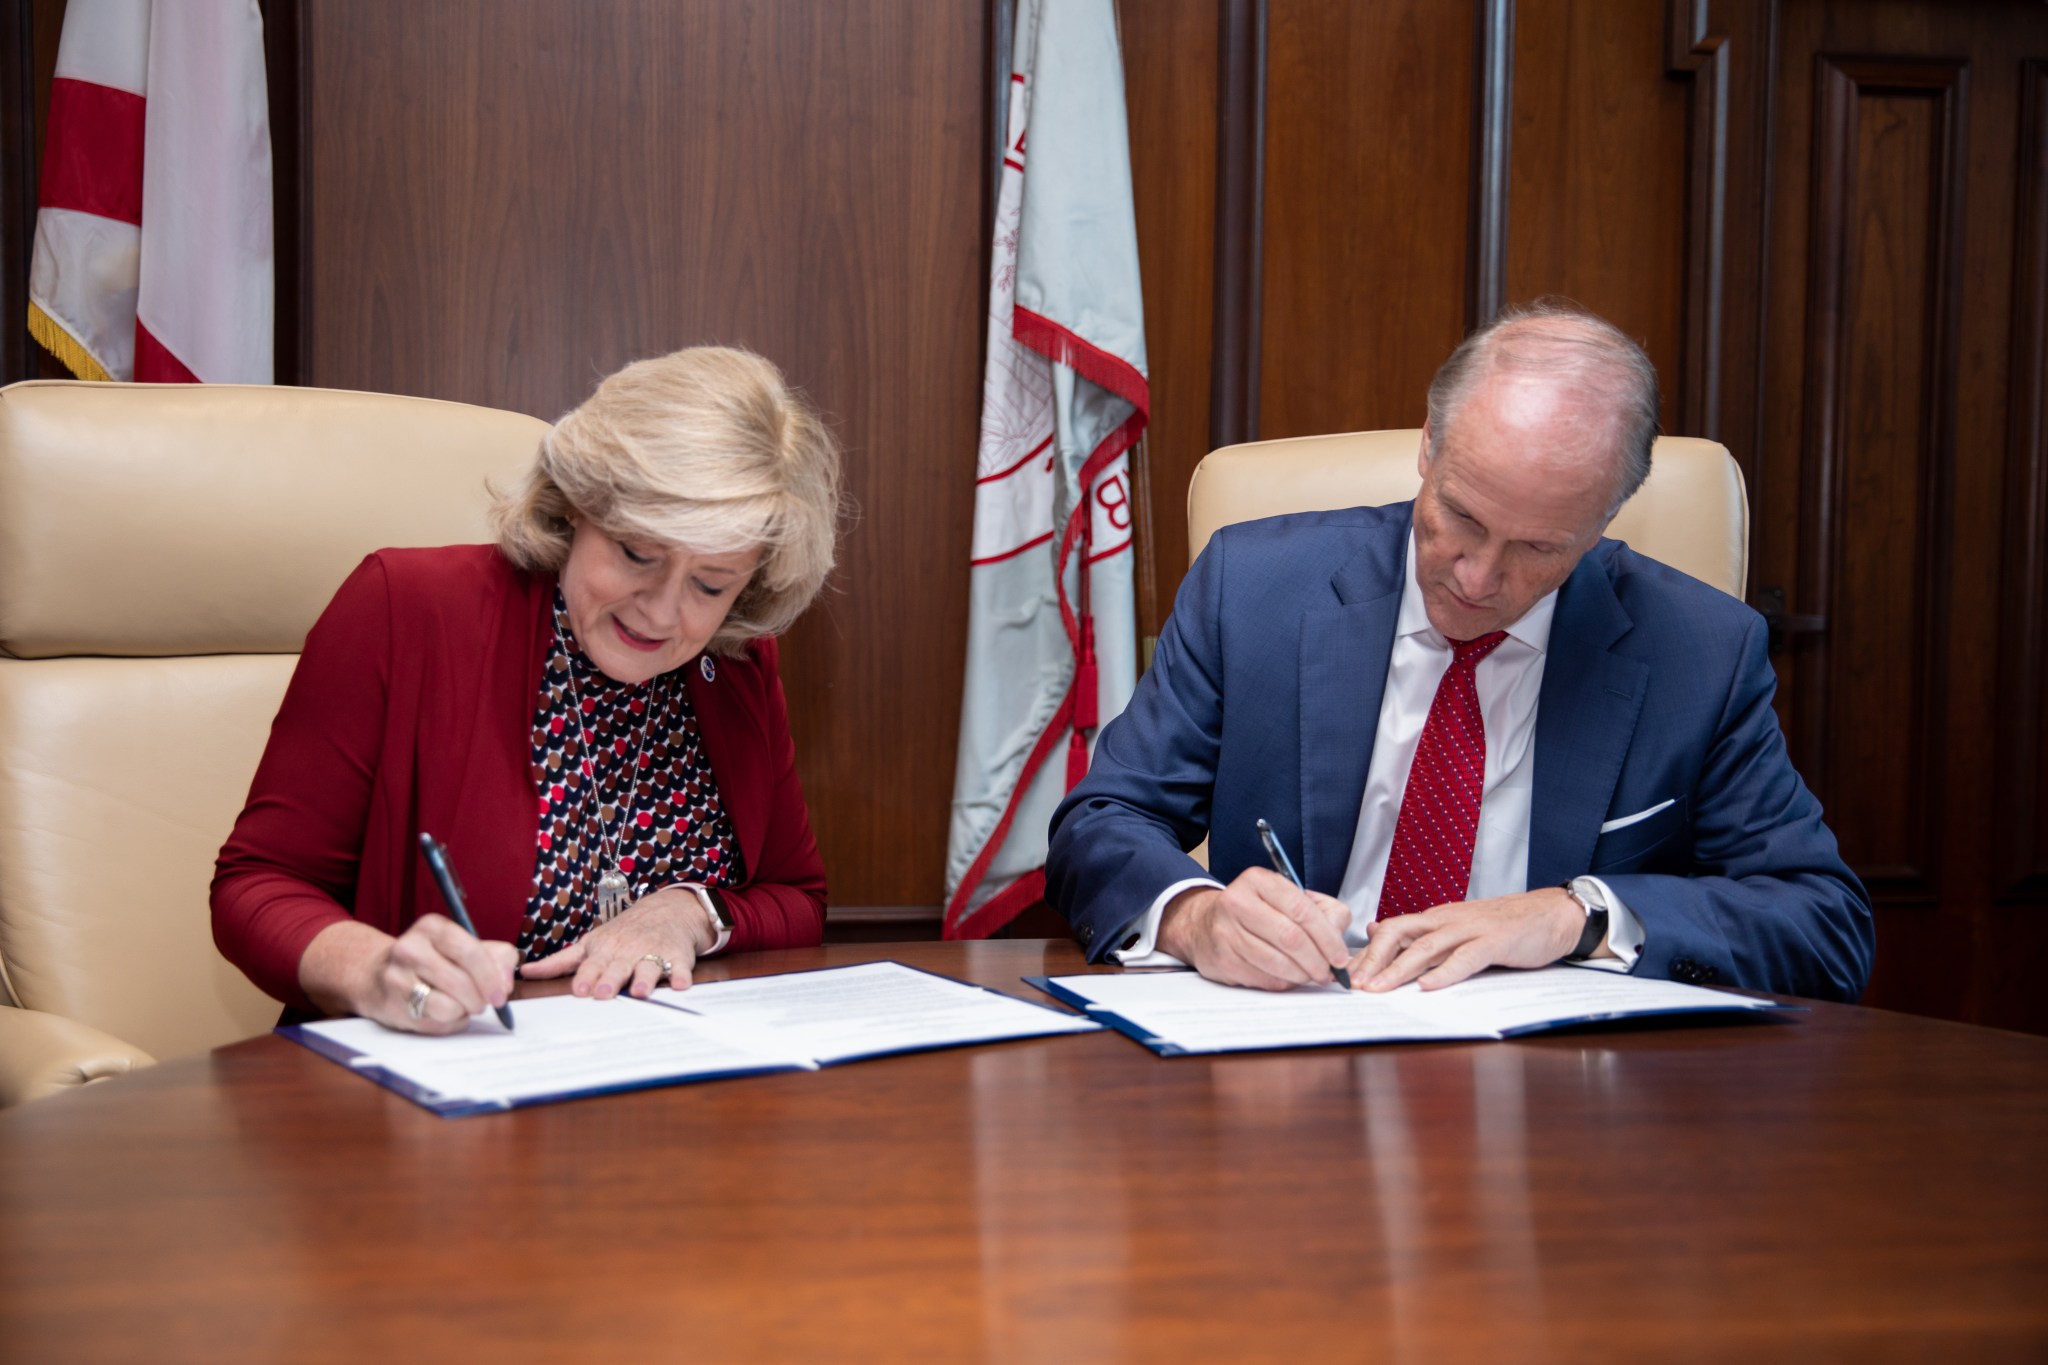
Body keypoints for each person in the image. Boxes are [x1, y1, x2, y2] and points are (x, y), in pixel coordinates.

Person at [1045, 301, 1873, 1001]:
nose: (1478, 578)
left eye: (1538, 548)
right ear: (1429, 445)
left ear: (1602, 524)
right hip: (1291, 1056)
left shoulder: (1700, 653)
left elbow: (1823, 923)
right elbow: (1102, 819)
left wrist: (1575, 914)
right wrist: (1196, 916)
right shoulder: (1255, 589)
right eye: (1462, 519)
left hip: (1554, 1106)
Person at [213, 346, 842, 1033]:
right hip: (439, 1095)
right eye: (637, 553)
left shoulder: (737, 663)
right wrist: (372, 968)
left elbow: (797, 896)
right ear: (577, 502)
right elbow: (256, 885)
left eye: (710, 584)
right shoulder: (405, 608)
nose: (663, 613)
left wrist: (692, 911)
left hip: (665, 1098)